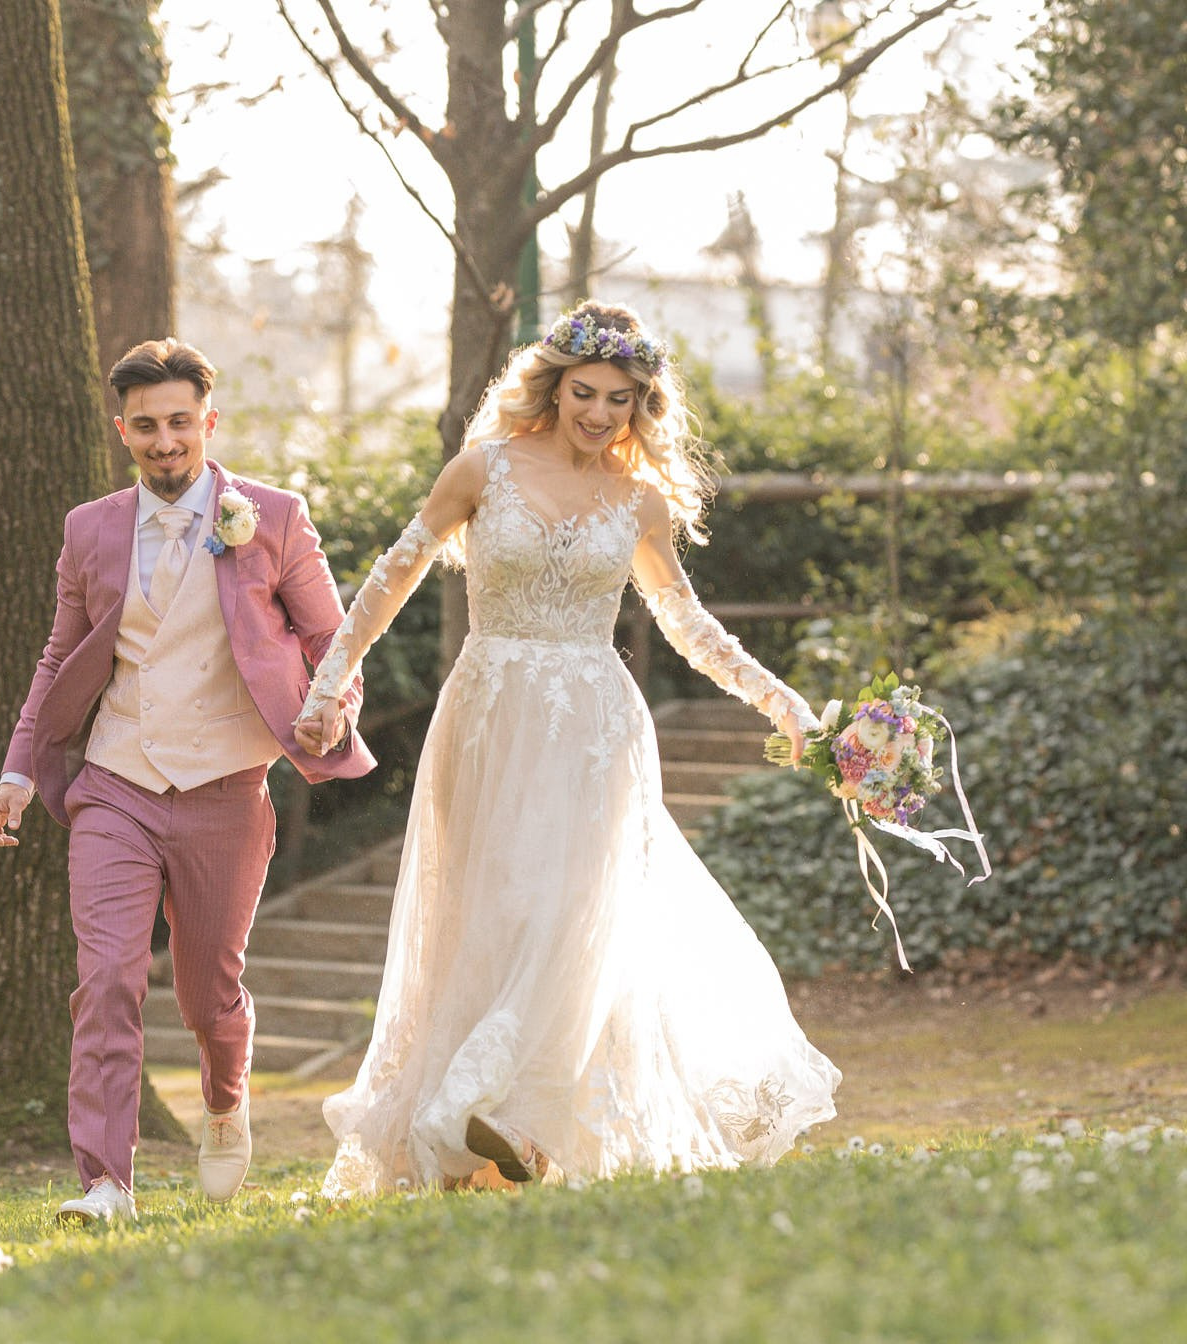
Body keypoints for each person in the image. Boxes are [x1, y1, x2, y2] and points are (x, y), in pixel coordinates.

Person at [293, 302, 840, 1194]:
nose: (598, 413)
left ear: (640, 405)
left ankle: (512, 1117)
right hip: (488, 717)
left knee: (567, 915)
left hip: (595, 729)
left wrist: (783, 703)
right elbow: (395, 575)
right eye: (584, 393)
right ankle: (481, 1128)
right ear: (551, 387)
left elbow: (688, 625)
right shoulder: (482, 470)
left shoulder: (640, 500)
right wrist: (327, 686)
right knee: (491, 914)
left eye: (619, 399)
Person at [0, 338, 374, 1223]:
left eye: (181, 423)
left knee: (208, 993)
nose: (166, 441)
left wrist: (332, 708)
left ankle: (226, 1099)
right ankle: (105, 1183)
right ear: (123, 431)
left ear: (209, 421)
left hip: (227, 788)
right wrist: (16, 769)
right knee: (109, 977)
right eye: (147, 426)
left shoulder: (270, 517)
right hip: (115, 785)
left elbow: (333, 643)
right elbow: (59, 656)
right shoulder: (90, 528)